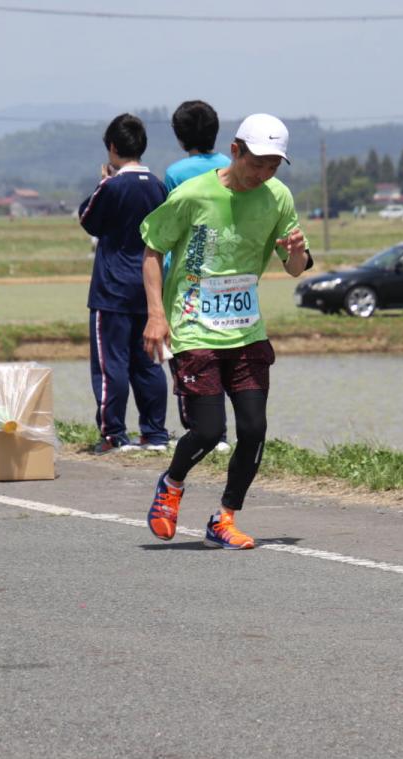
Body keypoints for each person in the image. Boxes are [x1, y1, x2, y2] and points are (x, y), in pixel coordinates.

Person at [140, 113, 311, 550]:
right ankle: (172, 483)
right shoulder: (192, 194)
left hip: (246, 330)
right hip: (194, 328)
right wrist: (156, 315)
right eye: (256, 164)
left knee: (253, 429)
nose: (263, 174)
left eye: (273, 166)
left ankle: (224, 518)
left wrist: (295, 252)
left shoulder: (278, 198)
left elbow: (295, 267)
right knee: (208, 430)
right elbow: (152, 250)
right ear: (235, 151)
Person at [79, 113, 170, 454]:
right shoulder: (158, 186)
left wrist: (102, 182)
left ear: (113, 147)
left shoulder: (113, 186)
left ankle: (114, 434)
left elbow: (88, 220)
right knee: (148, 363)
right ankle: (155, 433)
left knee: (111, 364)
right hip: (149, 287)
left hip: (112, 288)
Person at [163, 100, 233, 453]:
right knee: (223, 348)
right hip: (225, 267)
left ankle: (198, 429)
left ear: (179, 136)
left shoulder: (176, 173)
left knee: (190, 350)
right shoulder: (230, 166)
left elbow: (169, 227)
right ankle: (221, 432)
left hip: (187, 274)